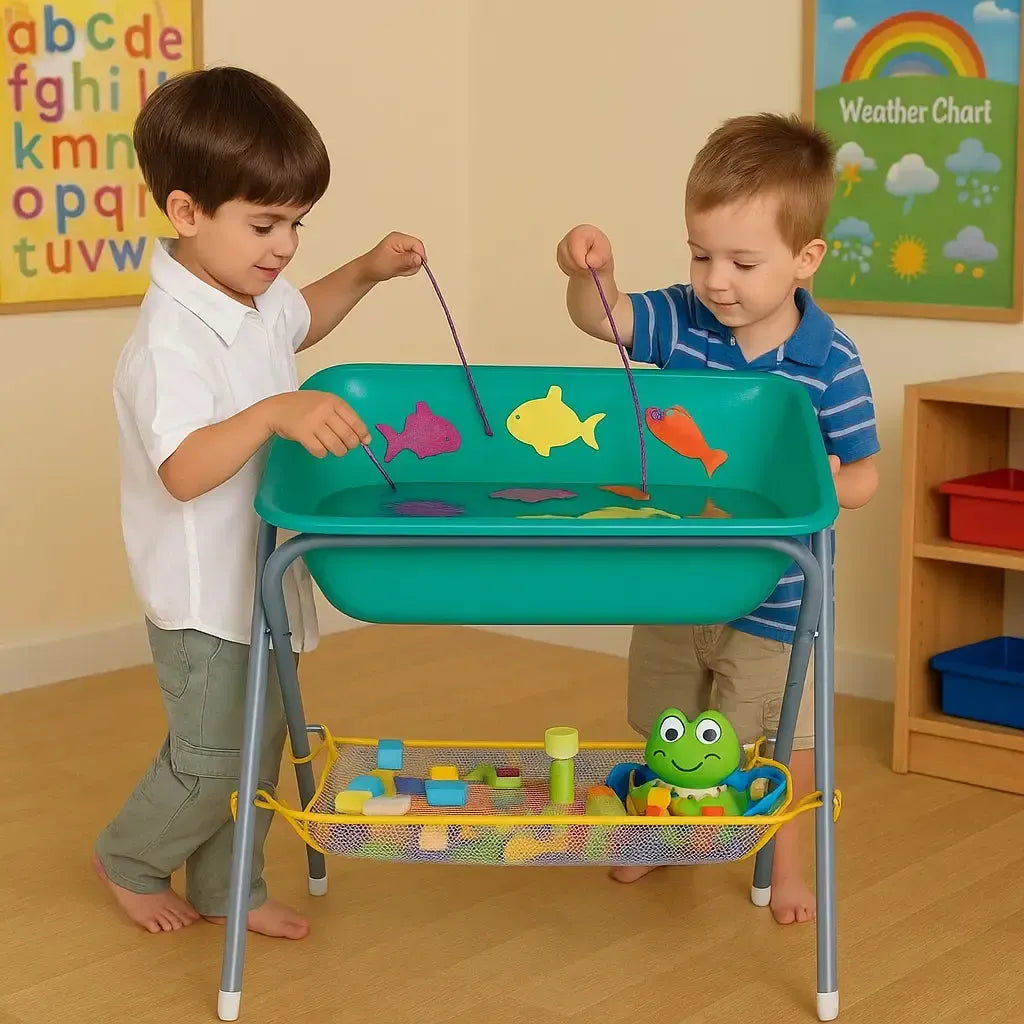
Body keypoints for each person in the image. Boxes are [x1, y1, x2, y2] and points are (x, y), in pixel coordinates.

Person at [94, 66, 426, 939]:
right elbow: (182, 469)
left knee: (258, 751)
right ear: (187, 212)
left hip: (261, 581)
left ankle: (228, 889)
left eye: (297, 224)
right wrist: (275, 412)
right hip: (203, 599)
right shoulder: (169, 343)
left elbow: (299, 318)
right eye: (265, 225)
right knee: (211, 761)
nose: (284, 247)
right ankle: (128, 856)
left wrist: (368, 270)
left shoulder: (250, 295)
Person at [554, 112, 880, 925]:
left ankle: (786, 862)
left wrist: (823, 480)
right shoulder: (683, 323)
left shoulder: (830, 363)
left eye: (742, 261)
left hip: (775, 604)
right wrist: (590, 269)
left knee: (777, 739)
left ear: (806, 259)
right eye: (700, 255)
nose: (716, 280)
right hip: (677, 584)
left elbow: (865, 476)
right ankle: (664, 834)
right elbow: (602, 317)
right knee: (668, 726)